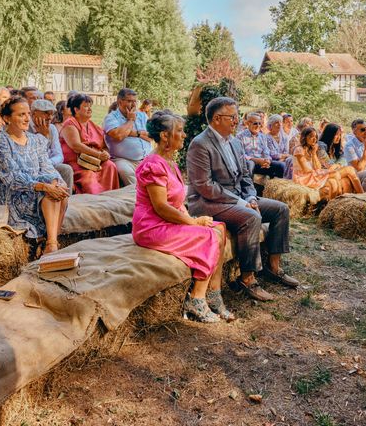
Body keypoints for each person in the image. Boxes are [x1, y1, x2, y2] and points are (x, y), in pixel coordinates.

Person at [187, 97, 298, 302]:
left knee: (281, 209)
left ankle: (273, 267)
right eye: (233, 117)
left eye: (237, 116)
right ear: (217, 118)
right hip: (208, 202)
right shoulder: (200, 144)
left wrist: (251, 197)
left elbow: (246, 177)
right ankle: (247, 279)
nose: (237, 121)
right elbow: (205, 186)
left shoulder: (235, 142)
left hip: (238, 198)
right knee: (250, 217)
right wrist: (242, 203)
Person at [133, 110, 232, 323]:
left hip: (167, 222)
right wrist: (193, 222)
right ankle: (196, 299)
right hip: (151, 227)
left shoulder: (170, 163)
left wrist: (195, 221)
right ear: (165, 136)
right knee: (210, 236)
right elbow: (161, 207)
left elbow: (176, 203)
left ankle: (214, 293)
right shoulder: (153, 164)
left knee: (220, 228)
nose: (184, 135)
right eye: (179, 131)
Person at [0, 96, 69, 253]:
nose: (27, 118)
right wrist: (44, 186)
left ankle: (50, 242)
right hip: (10, 195)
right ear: (6, 118)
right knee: (50, 191)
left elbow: (47, 168)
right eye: (21, 114)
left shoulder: (36, 140)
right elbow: (12, 178)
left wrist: (57, 183)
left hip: (35, 192)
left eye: (28, 114)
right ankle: (51, 245)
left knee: (59, 190)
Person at [60, 93, 119, 194]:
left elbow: (104, 146)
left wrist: (105, 153)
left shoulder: (93, 125)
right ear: (76, 109)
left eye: (90, 106)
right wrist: (98, 155)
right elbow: (76, 146)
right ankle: (94, 202)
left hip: (95, 161)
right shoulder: (70, 124)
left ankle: (110, 200)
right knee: (89, 177)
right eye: (86, 106)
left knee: (110, 165)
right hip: (78, 164)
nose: (90, 109)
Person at [103, 88, 152, 185]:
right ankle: (136, 196)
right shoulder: (111, 118)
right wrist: (131, 121)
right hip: (123, 159)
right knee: (125, 171)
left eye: (135, 101)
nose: (133, 105)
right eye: (129, 101)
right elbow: (119, 136)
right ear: (120, 102)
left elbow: (152, 136)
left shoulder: (142, 116)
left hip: (146, 158)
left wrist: (131, 132)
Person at [29, 99, 74, 193]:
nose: (49, 117)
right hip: (30, 167)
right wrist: (43, 136)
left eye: (51, 114)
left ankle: (66, 201)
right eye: (46, 113)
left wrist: (47, 163)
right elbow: (31, 155)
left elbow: (59, 155)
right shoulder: (26, 127)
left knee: (66, 169)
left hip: (47, 164)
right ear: (33, 113)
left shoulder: (52, 128)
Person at [292, 127, 343, 199]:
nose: (314, 139)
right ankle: (335, 202)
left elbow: (317, 167)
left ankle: (333, 204)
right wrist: (320, 173)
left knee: (334, 182)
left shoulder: (311, 149)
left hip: (310, 175)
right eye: (311, 136)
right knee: (335, 174)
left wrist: (314, 153)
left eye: (315, 137)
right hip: (302, 177)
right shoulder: (299, 150)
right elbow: (306, 170)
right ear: (304, 137)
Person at [237, 112, 285, 178]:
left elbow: (266, 152)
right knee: (250, 164)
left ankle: (276, 187)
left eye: (260, 123)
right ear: (248, 123)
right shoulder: (240, 136)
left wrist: (267, 160)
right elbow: (240, 155)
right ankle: (249, 187)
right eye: (255, 123)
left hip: (261, 163)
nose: (258, 126)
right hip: (248, 164)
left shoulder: (262, 136)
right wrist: (256, 160)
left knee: (281, 166)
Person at [265, 114, 293, 179]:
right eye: (276, 123)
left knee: (291, 160)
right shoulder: (266, 138)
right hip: (272, 161)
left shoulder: (285, 137)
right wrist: (283, 156)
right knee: (282, 164)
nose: (279, 124)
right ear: (270, 125)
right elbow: (272, 154)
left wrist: (282, 158)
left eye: (280, 122)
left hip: (283, 159)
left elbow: (286, 152)